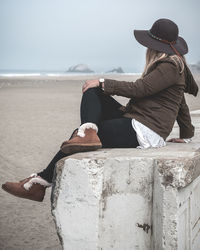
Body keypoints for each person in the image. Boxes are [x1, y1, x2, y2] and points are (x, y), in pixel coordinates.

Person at [2, 18, 198, 202]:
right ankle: (87, 132)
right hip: (139, 120)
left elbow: (140, 89)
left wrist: (105, 82)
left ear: (154, 46)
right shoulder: (174, 66)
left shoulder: (169, 67)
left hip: (145, 130)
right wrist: (187, 134)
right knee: (93, 92)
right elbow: (181, 104)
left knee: (77, 138)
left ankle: (39, 183)